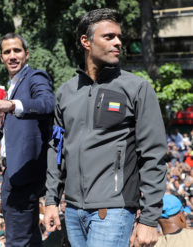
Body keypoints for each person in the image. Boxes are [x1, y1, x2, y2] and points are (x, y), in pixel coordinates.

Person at [44, 8, 167, 247]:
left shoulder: (138, 88)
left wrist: (150, 219)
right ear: (86, 41)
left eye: (119, 36)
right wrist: (51, 200)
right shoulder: (65, 92)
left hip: (113, 211)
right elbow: (56, 149)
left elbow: (153, 155)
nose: (118, 42)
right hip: (72, 212)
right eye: (109, 37)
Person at [0, 32, 55, 246]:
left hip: (25, 174)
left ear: (27, 54)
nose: (12, 56)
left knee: (18, 241)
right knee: (27, 238)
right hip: (13, 171)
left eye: (17, 50)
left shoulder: (35, 77)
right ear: (1, 58)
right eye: (7, 52)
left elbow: (48, 103)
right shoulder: (10, 87)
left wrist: (10, 105)